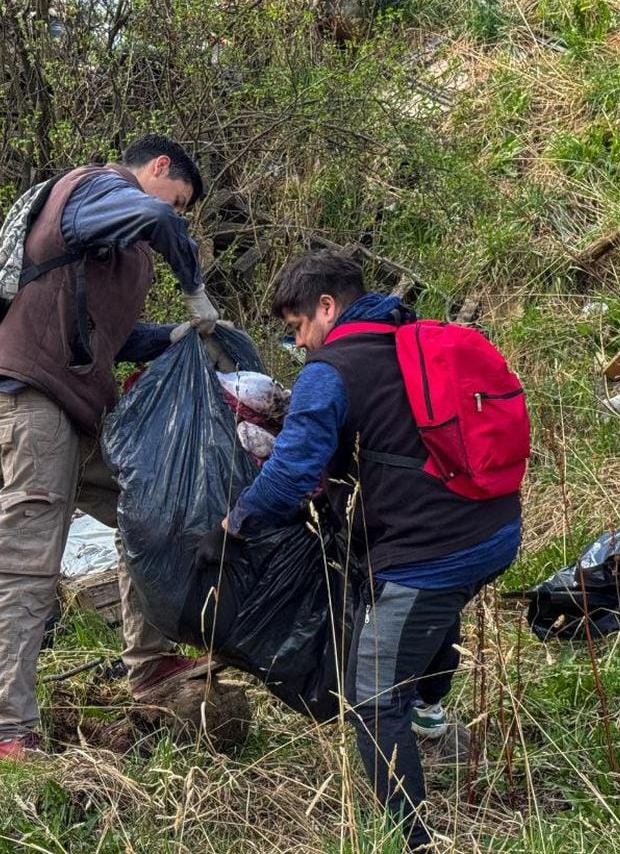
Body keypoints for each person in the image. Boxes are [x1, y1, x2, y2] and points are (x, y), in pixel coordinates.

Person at [214, 251, 522, 851]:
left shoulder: (330, 370)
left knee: (374, 700)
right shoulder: (410, 336)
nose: (298, 343)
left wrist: (235, 523)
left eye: (298, 328)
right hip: (496, 530)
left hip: (431, 554)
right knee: (433, 613)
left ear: (326, 307)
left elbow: (291, 476)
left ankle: (413, 841)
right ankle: (433, 714)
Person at [0, 134, 223, 761]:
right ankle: (8, 729)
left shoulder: (115, 247)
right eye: (178, 200)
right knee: (26, 561)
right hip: (34, 401)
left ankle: (148, 662)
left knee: (146, 509)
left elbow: (108, 337)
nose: (174, 217)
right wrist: (193, 283)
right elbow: (154, 217)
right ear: (156, 169)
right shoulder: (95, 189)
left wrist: (178, 336)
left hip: (78, 410)